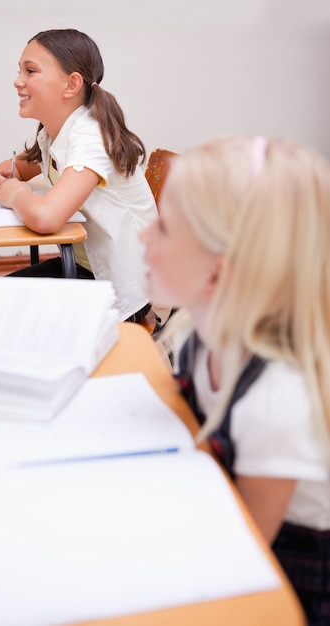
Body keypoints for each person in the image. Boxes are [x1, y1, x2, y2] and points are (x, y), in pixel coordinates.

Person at [140, 135, 330, 626]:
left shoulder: (277, 405)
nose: (142, 235)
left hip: (287, 571)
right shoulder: (193, 331)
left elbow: (239, 554)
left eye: (163, 227)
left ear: (217, 274)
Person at [0, 28, 159, 327]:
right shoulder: (55, 132)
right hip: (86, 268)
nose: (18, 81)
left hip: (120, 289)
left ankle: (139, 330)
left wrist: (16, 195)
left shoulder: (91, 138)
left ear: (71, 84)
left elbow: (46, 218)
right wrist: (2, 177)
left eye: (31, 71)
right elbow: (15, 168)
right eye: (19, 71)